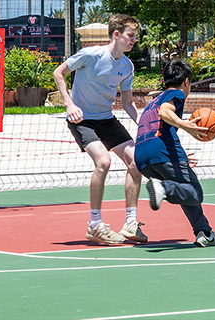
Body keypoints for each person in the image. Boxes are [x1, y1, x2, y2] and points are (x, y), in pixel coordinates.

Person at [54, 14, 146, 245]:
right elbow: (59, 73)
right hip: (82, 119)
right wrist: (69, 104)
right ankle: (95, 225)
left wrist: (144, 124)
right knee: (103, 162)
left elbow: (127, 102)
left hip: (106, 119)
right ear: (117, 34)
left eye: (135, 36)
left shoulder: (126, 66)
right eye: (131, 36)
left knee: (137, 161)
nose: (134, 40)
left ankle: (131, 222)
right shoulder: (91, 55)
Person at [135, 59, 215, 248]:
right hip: (161, 151)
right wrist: (186, 126)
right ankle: (163, 188)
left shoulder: (154, 100)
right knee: (195, 192)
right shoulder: (177, 94)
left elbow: (159, 125)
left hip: (142, 155)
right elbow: (165, 113)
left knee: (185, 189)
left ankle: (204, 233)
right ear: (187, 82)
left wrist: (179, 155)